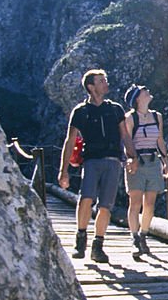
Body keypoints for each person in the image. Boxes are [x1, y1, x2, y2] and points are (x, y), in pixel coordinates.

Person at [58, 69, 138, 263]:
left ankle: (98, 245)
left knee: (105, 205)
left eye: (105, 80)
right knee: (86, 198)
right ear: (91, 87)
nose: (106, 83)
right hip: (92, 160)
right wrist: (64, 171)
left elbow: (125, 135)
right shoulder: (81, 111)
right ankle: (81, 237)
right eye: (101, 81)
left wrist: (133, 156)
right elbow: (70, 141)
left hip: (113, 160)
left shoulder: (115, 109)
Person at [122, 84, 168, 256]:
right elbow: (126, 142)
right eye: (144, 91)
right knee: (135, 202)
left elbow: (160, 141)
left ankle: (144, 235)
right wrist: (130, 159)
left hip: (152, 162)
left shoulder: (157, 117)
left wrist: (166, 162)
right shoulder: (130, 118)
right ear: (138, 98)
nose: (148, 91)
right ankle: (135, 238)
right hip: (136, 163)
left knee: (149, 203)